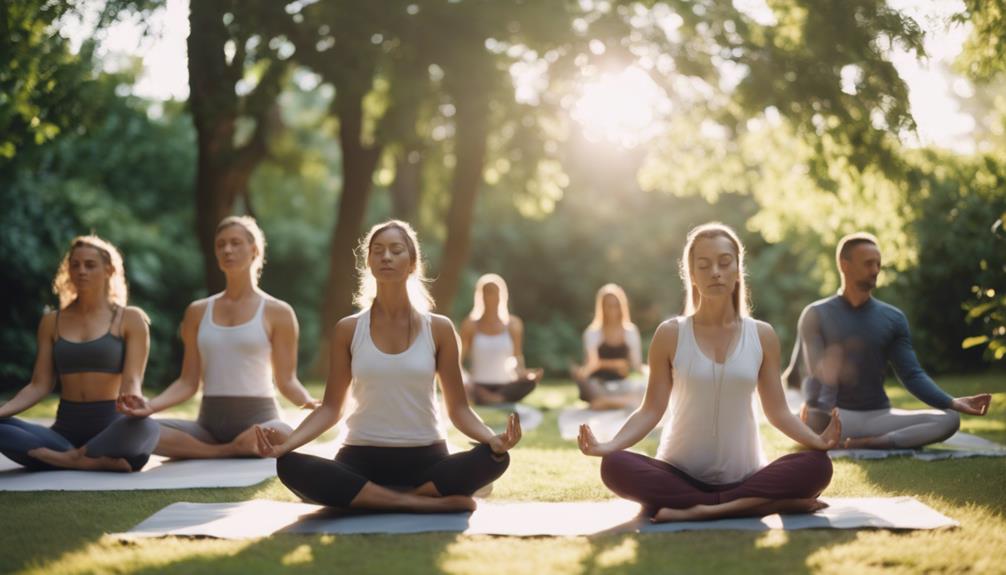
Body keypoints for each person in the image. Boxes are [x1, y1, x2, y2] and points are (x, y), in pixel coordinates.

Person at [579, 223, 839, 522]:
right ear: (691, 275)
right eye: (704, 265)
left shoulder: (762, 335)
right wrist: (609, 445)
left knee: (818, 466)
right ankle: (752, 505)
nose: (715, 271)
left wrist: (817, 441)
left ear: (738, 270)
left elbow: (778, 411)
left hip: (746, 475)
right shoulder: (670, 334)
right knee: (614, 465)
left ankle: (703, 509)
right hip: (678, 473)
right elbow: (651, 410)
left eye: (725, 263)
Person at [258, 220, 520, 513]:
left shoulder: (440, 329)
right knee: (289, 465)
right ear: (368, 262)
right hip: (360, 458)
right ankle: (416, 502)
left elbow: (458, 409)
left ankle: (377, 498)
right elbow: (331, 408)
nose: (386, 257)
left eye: (396, 250)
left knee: (494, 459)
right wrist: (287, 444)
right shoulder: (348, 329)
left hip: (427, 457)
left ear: (411, 263)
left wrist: (492, 440)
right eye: (378, 251)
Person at [118, 216, 319, 458]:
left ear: (254, 250)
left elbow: (287, 381)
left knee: (279, 433)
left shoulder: (279, 312)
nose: (227, 250)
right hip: (208, 425)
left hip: (259, 421)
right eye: (220, 244)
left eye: (235, 243)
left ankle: (209, 451)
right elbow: (188, 382)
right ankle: (224, 451)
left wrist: (310, 403)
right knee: (137, 428)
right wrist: (148, 407)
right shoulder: (197, 311)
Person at [787, 232, 991, 449]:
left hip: (880, 417)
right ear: (844, 265)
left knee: (950, 419)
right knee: (795, 418)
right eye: (868, 264)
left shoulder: (893, 318)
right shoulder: (815, 313)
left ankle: (873, 443)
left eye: (878, 264)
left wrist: (951, 401)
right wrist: (816, 414)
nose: (875, 270)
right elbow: (815, 373)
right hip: (834, 415)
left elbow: (912, 374)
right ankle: (839, 436)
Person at [0, 235, 160, 472]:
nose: (81, 271)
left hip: (110, 429)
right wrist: (2, 411)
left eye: (90, 265)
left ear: (109, 270)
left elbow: (132, 380)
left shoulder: (130, 318)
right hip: (63, 433)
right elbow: (39, 385)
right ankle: (85, 459)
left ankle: (60, 459)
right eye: (75, 265)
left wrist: (135, 401)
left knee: (148, 428)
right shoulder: (51, 321)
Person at [459, 273, 542, 405]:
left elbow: (517, 359)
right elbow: (458, 362)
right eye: (487, 292)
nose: (491, 297)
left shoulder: (514, 324)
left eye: (495, 292)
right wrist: (467, 381)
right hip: (478, 386)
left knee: (530, 382)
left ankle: (495, 398)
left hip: (506, 386)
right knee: (462, 385)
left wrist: (525, 374)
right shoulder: (470, 325)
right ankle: (491, 398)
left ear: (502, 295)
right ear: (479, 296)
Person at [571, 284, 644, 410]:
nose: (612, 309)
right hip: (599, 384)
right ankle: (621, 402)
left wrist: (653, 373)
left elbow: (637, 365)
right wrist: (616, 364)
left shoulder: (631, 331)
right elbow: (593, 364)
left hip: (622, 385)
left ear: (622, 307)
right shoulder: (592, 332)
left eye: (616, 305)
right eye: (608, 305)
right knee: (590, 389)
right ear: (601, 307)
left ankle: (606, 402)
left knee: (646, 388)